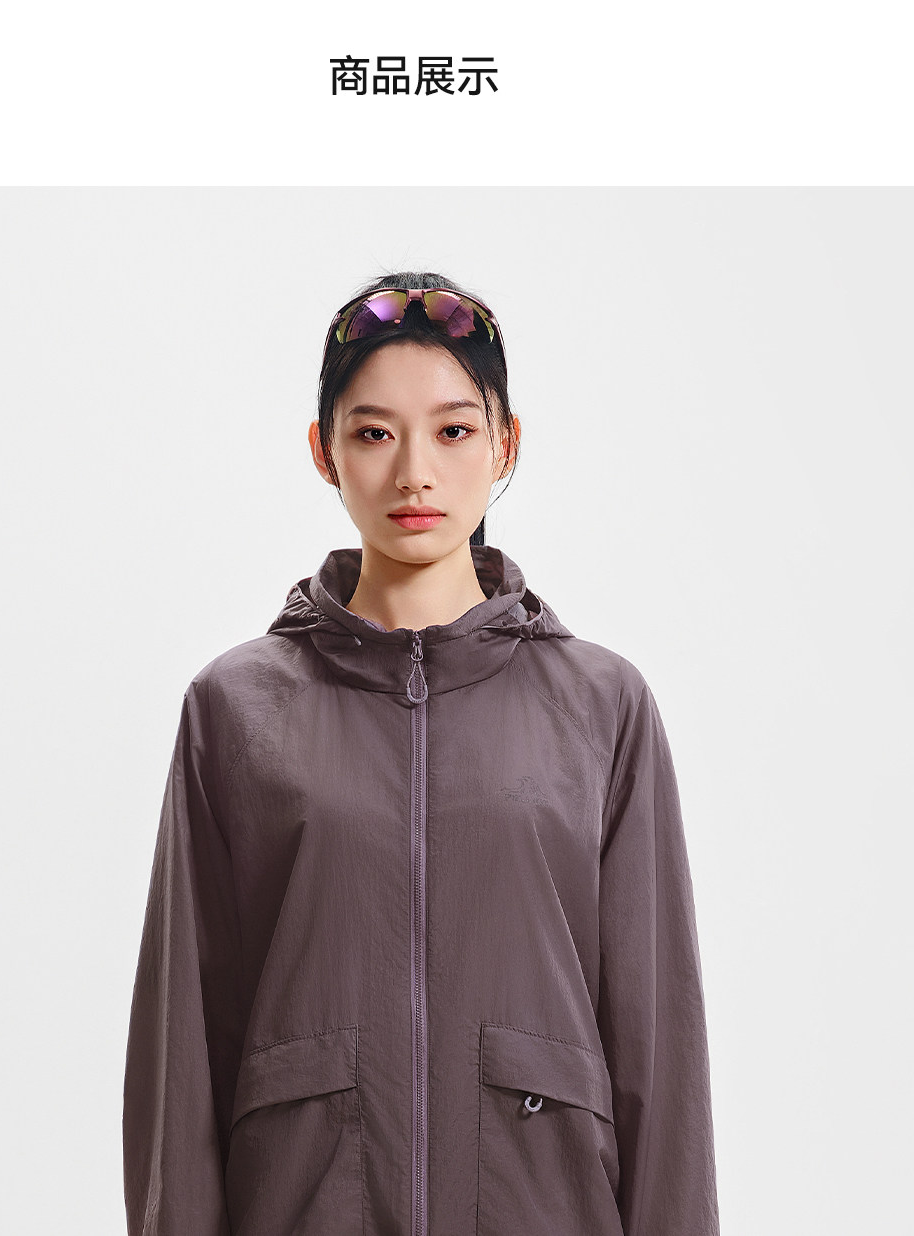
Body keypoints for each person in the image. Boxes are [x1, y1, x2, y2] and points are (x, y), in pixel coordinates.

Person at [122, 271, 722, 1236]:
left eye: (452, 431)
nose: (414, 474)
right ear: (323, 450)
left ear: (505, 444)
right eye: (373, 433)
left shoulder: (601, 706)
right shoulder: (234, 710)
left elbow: (661, 1060)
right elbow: (182, 1063)